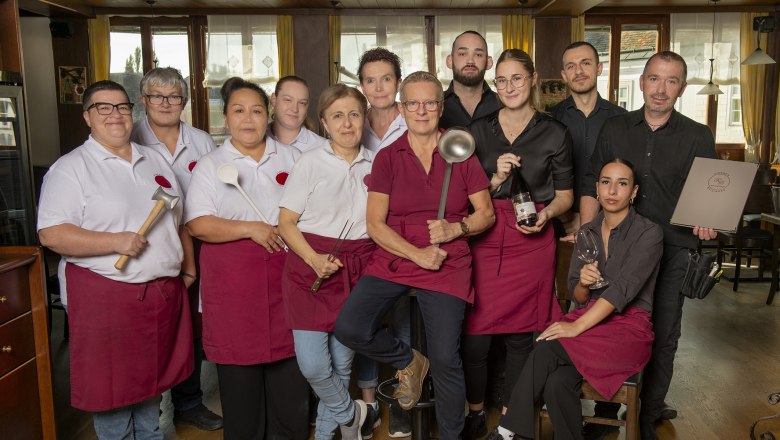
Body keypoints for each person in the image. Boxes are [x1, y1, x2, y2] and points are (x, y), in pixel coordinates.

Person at [334, 71, 495, 439]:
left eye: (430, 103)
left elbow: (485, 213)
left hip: (447, 261)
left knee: (445, 358)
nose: (421, 110)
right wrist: (416, 254)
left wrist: (457, 229)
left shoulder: (461, 151)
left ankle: (452, 435)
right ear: (401, 108)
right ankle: (409, 360)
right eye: (412, 103)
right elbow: (375, 224)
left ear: (441, 107)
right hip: (395, 254)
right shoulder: (388, 158)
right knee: (349, 327)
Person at [37, 80, 194, 440]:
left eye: (122, 107)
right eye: (103, 108)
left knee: (152, 386)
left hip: (160, 296)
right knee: (112, 394)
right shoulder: (71, 168)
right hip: (106, 297)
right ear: (87, 117)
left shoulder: (152, 159)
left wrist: (187, 268)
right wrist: (115, 241)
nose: (115, 115)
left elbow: (178, 218)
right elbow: (51, 234)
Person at [579, 51, 718, 440]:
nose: (661, 89)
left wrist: (710, 222)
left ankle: (648, 414)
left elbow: (709, 194)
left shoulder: (698, 135)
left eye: (671, 81)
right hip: (617, 245)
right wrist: (588, 235)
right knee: (610, 323)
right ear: (642, 82)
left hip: (674, 248)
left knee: (664, 331)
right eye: (654, 79)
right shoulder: (614, 127)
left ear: (682, 89)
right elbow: (594, 180)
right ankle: (606, 408)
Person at [486, 158, 663, 440]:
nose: (612, 191)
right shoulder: (587, 232)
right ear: (597, 188)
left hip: (629, 330)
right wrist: (582, 281)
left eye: (622, 183)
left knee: (546, 344)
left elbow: (622, 292)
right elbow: (579, 296)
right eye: (606, 182)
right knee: (557, 383)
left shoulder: (649, 233)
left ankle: (508, 429)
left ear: (634, 191)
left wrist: (575, 327)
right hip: (590, 319)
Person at [185, 77, 309, 440]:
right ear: (226, 117)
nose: (248, 119)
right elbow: (198, 223)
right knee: (241, 391)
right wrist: (251, 229)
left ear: (268, 114)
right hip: (234, 291)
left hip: (287, 283)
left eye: (256, 110)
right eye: (238, 111)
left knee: (291, 385)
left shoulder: (293, 158)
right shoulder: (210, 165)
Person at [461, 48, 573, 439]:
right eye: (502, 80)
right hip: (487, 231)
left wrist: (545, 216)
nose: (509, 87)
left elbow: (566, 195)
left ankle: (510, 420)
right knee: (475, 335)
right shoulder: (480, 129)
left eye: (517, 78)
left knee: (521, 334)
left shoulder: (554, 131)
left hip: (533, 235)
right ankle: (476, 411)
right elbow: (463, 192)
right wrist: (493, 179)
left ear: (533, 79)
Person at [278, 84, 375, 440]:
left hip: (360, 266)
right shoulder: (309, 162)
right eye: (337, 116)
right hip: (310, 265)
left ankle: (328, 434)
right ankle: (353, 414)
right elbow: (285, 223)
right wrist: (315, 260)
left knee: (342, 363)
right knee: (314, 365)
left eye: (354, 114)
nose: (347, 124)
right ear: (323, 122)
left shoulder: (377, 164)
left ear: (364, 119)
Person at [130, 66, 222, 432]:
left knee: (193, 327)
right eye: (157, 96)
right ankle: (149, 409)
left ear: (184, 101)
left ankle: (189, 402)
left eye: (174, 97)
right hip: (148, 249)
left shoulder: (201, 141)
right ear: (143, 100)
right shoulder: (130, 138)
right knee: (152, 329)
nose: (166, 103)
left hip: (196, 246)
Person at [548, 42, 628, 439]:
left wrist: (589, 220)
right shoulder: (550, 119)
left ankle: (607, 402)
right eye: (570, 66)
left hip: (605, 226)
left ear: (599, 67)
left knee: (606, 304)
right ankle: (562, 393)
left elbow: (622, 177)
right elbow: (549, 176)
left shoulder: (621, 121)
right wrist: (570, 218)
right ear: (562, 75)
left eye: (585, 63)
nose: (578, 71)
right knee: (566, 304)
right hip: (559, 228)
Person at [356, 47, 412, 438]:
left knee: (406, 320)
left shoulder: (413, 118)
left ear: (398, 82)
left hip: (404, 235)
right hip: (361, 235)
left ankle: (405, 401)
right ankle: (369, 403)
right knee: (365, 321)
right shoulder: (350, 120)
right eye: (370, 79)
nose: (378, 87)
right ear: (361, 85)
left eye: (386, 78)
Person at [439, 30, 502, 129]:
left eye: (478, 55)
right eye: (462, 54)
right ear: (450, 61)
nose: (470, 61)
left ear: (488, 62)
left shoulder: (504, 104)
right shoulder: (434, 106)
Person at [269, 75, 327, 153]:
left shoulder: (323, 147)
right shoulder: (255, 140)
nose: (295, 109)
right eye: (288, 100)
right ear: (274, 100)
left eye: (302, 103)